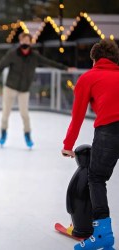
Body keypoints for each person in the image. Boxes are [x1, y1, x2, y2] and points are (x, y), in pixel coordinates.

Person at [62, 39, 119, 250]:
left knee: (96, 178)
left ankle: (103, 233)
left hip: (109, 131)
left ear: (94, 59)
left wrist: (68, 145)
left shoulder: (89, 77)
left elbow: (77, 117)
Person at [0, 32, 71, 148]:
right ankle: (3, 134)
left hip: (24, 90)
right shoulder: (13, 54)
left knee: (25, 114)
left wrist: (65, 68)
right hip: (10, 88)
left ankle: (27, 135)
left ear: (30, 42)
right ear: (20, 42)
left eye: (27, 41)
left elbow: (48, 62)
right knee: (5, 114)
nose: (25, 43)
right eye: (23, 41)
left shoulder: (34, 56)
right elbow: (0, 66)